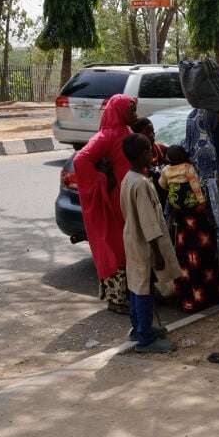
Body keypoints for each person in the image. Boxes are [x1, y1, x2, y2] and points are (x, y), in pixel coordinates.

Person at [74, 94, 137, 314]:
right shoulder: (107, 135)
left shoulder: (127, 133)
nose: (134, 114)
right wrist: (103, 179)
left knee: (129, 247)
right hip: (113, 204)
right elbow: (81, 160)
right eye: (131, 110)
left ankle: (129, 296)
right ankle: (116, 299)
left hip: (127, 200)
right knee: (115, 248)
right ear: (119, 111)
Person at [119, 133, 181, 353]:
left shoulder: (128, 179)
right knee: (144, 288)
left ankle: (139, 328)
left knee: (136, 284)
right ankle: (145, 339)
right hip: (145, 243)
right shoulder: (141, 184)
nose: (152, 153)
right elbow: (149, 223)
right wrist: (157, 253)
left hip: (132, 239)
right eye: (147, 150)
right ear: (140, 155)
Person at [160, 145, 219, 313]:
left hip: (181, 219)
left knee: (185, 258)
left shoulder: (166, 170)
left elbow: (162, 185)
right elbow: (196, 186)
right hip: (195, 219)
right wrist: (202, 201)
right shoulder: (189, 168)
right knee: (204, 254)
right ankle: (211, 294)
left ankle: (190, 299)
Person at [184, 108, 219, 283]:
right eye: (218, 115)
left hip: (217, 200)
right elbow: (205, 178)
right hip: (209, 204)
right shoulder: (205, 146)